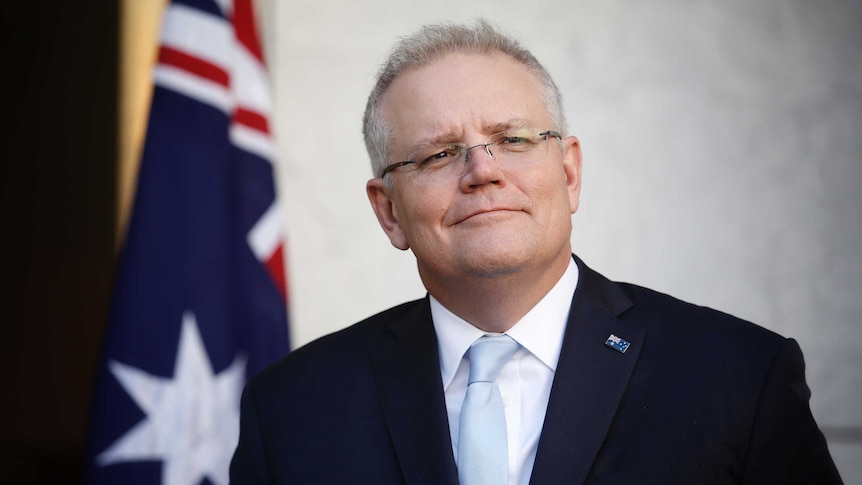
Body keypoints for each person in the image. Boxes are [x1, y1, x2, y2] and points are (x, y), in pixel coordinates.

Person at [229, 19, 841, 484]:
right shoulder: (289, 410)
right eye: (440, 153)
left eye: (513, 139)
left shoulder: (741, 378)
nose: (481, 172)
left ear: (570, 174)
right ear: (389, 210)